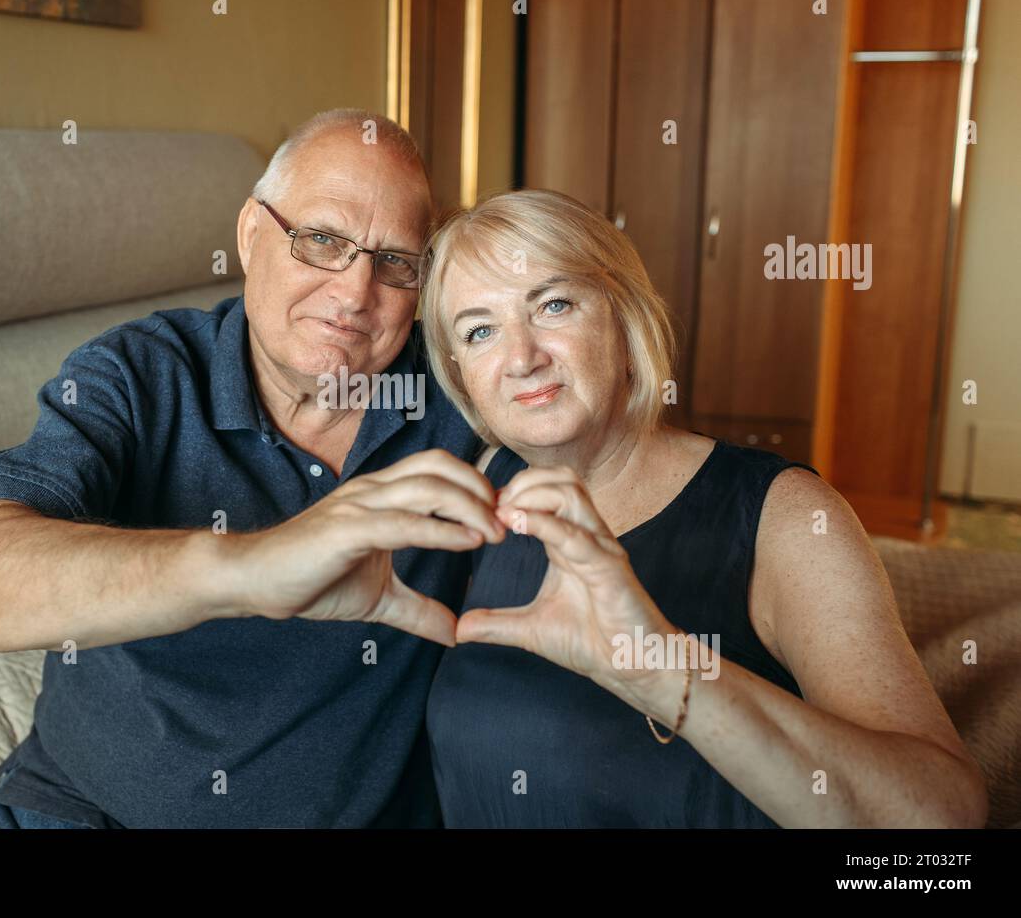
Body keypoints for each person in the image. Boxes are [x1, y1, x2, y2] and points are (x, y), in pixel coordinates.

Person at [0, 108, 508, 828]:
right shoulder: (140, 373)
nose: (356, 293)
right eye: (322, 241)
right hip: (83, 810)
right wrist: (246, 570)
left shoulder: (461, 390)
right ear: (251, 235)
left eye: (395, 263)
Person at [419, 188, 990, 827]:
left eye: (554, 304)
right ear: (459, 371)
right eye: (480, 330)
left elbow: (943, 819)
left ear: (623, 317)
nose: (522, 356)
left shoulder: (786, 515)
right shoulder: (476, 495)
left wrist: (666, 670)